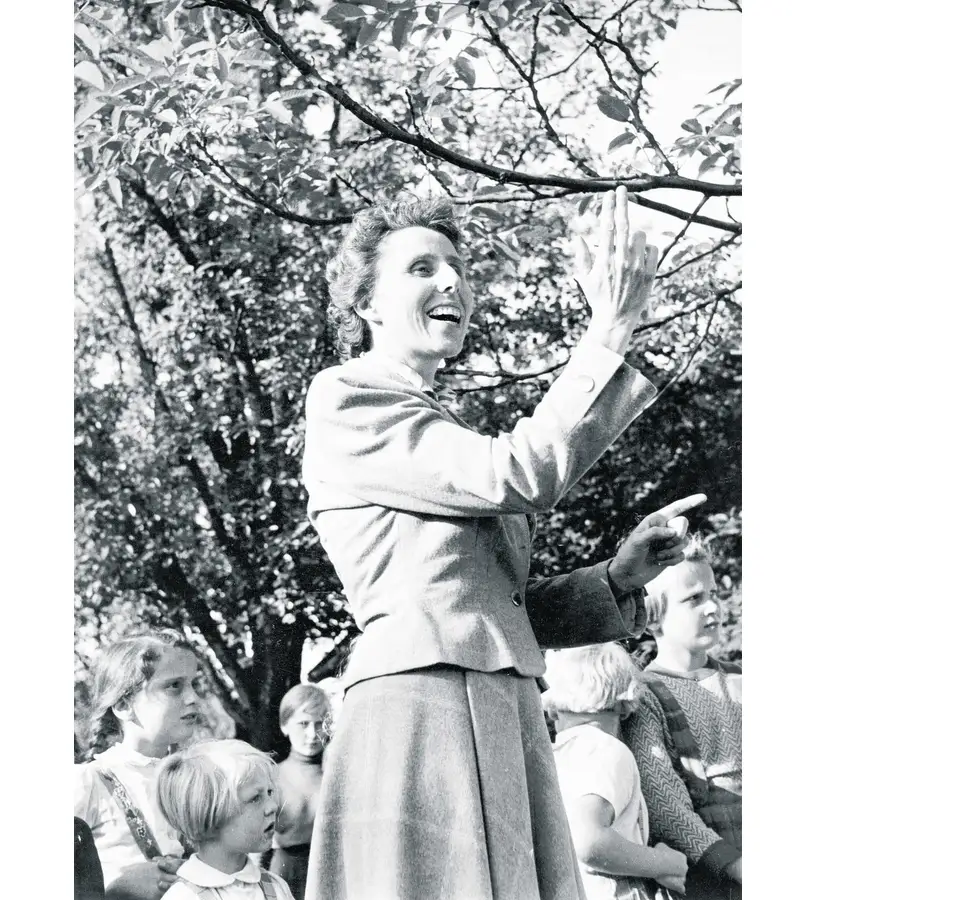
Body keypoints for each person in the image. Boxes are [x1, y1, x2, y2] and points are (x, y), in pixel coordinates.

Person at [300, 186, 705, 900]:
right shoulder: (348, 397)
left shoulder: (435, 424)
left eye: (457, 265)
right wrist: (608, 330)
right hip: (421, 704)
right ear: (367, 305)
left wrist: (615, 578)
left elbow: (496, 605)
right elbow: (516, 472)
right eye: (422, 268)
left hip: (498, 705)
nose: (452, 279)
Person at [620, 537, 743, 900]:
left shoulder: (743, 679)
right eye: (694, 599)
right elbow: (665, 806)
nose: (712, 608)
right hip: (708, 875)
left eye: (714, 594)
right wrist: (739, 867)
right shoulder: (645, 695)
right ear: (653, 616)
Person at [544, 643, 688, 900]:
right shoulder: (606, 751)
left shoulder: (552, 755)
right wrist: (665, 863)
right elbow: (589, 841)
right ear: (625, 704)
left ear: (553, 707)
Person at [75, 630, 204, 900]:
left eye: (194, 684)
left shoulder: (196, 776)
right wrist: (118, 889)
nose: (193, 698)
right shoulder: (89, 783)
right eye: (174, 686)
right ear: (123, 706)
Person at [154, 739, 297, 900]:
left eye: (270, 792)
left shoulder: (276, 887)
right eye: (255, 798)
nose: (272, 806)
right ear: (208, 814)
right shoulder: (184, 896)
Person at [268, 684, 330, 900]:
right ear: (284, 725)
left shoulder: (337, 775)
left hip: (333, 872)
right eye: (303, 724)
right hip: (287, 877)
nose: (312, 734)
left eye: (320, 724)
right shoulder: (271, 777)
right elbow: (253, 851)